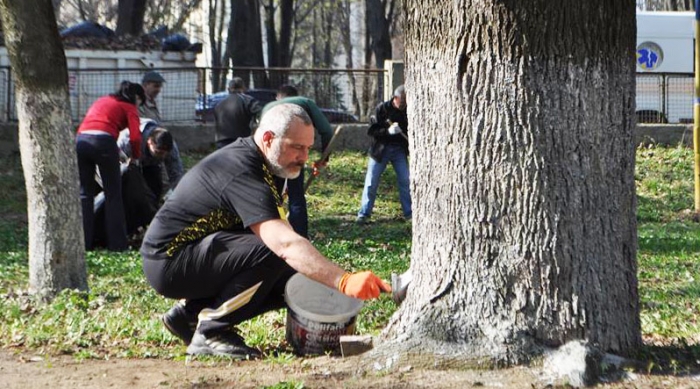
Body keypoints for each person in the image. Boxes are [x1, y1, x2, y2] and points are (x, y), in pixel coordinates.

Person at [140, 103, 390, 358]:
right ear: (269, 138)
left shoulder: (269, 165)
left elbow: (286, 235)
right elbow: (283, 244)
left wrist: (319, 274)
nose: (304, 158)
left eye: (308, 148)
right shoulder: (242, 170)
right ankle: (211, 332)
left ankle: (188, 316)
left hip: (197, 252)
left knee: (292, 279)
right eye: (297, 147)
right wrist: (343, 280)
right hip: (169, 261)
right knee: (272, 252)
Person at [76, 81, 145, 251]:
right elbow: (135, 137)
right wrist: (135, 158)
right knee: (113, 195)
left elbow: (98, 126)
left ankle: (85, 243)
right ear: (136, 98)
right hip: (104, 143)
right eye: (140, 103)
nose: (139, 107)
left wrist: (118, 151)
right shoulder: (129, 107)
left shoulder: (103, 100)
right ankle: (118, 245)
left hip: (81, 140)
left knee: (85, 194)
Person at [262, 84, 333, 238]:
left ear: (278, 97)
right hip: (292, 157)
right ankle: (300, 236)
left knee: (270, 197)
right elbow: (327, 130)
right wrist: (323, 158)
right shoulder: (304, 102)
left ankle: (271, 235)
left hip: (268, 157)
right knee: (296, 197)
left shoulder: (268, 107)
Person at [356, 85, 411, 224]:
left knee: (405, 180)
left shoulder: (409, 111)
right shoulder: (382, 109)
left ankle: (409, 213)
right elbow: (371, 131)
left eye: (406, 102)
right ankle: (364, 213)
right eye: (402, 102)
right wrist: (388, 132)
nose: (404, 105)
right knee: (371, 182)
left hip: (399, 150)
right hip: (381, 150)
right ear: (395, 98)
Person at [117, 119, 184, 200]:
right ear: (150, 142)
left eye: (164, 154)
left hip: (150, 163)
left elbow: (176, 173)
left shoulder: (171, 147)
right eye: (158, 152)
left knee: (155, 188)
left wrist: (179, 198)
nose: (161, 156)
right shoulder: (128, 140)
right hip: (125, 160)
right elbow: (117, 166)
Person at [214, 77, 263, 149]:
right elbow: (260, 112)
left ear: (228, 89)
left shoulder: (219, 104)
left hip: (221, 142)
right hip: (241, 141)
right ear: (243, 88)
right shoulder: (247, 100)